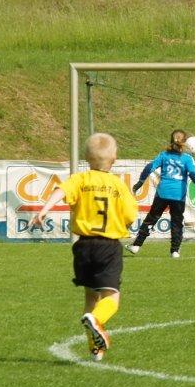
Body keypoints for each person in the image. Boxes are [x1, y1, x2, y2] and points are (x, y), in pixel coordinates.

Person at [31, 133, 137, 361]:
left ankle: (95, 348)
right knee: (111, 298)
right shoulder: (118, 185)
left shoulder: (80, 179)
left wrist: (44, 210)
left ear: (86, 158)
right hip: (108, 246)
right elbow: (130, 215)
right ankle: (97, 320)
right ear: (114, 158)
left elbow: (60, 191)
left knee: (90, 298)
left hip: (83, 247)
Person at [128, 129, 195, 259]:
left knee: (152, 218)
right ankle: (175, 251)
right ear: (184, 143)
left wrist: (140, 183)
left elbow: (149, 167)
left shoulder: (164, 155)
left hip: (162, 193)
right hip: (178, 195)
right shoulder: (187, 159)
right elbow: (193, 174)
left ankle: (136, 245)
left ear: (171, 141)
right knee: (177, 222)